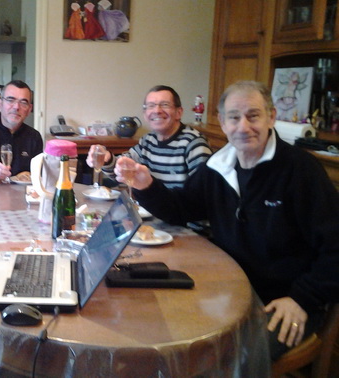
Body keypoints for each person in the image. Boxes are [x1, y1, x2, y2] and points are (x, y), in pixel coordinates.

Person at [115, 81, 339, 360]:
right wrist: (146, 185)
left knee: (232, 359)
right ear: (222, 122)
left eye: (253, 116)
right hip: (226, 288)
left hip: (282, 300)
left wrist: (302, 298)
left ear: (271, 117)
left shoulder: (300, 170)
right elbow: (180, 208)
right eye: (234, 117)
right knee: (158, 327)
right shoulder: (219, 166)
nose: (243, 127)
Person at [88, 85, 212, 189]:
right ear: (145, 114)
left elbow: (202, 199)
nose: (157, 110)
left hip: (179, 217)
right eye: (151, 106)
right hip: (153, 213)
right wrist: (107, 158)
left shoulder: (195, 145)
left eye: (164, 105)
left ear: (178, 112)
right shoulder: (148, 140)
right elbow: (122, 172)